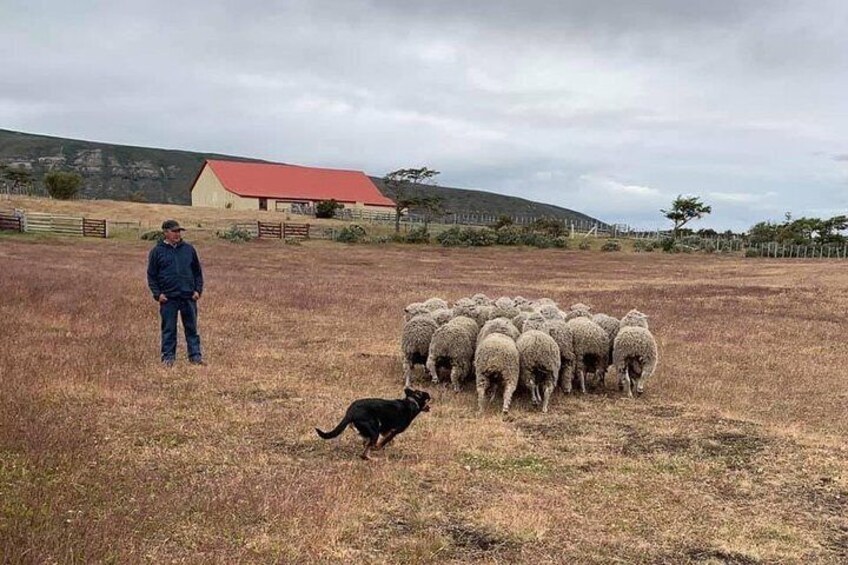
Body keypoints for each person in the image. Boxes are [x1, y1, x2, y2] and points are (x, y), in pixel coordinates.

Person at [147, 219, 204, 366]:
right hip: (168, 298)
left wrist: (197, 290)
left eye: (179, 231)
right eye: (174, 231)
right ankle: (168, 358)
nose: (177, 234)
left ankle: (195, 356)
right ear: (165, 232)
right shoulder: (157, 252)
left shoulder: (189, 249)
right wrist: (157, 294)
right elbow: (152, 275)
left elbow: (197, 272)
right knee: (169, 329)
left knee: (191, 328)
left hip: (188, 296)